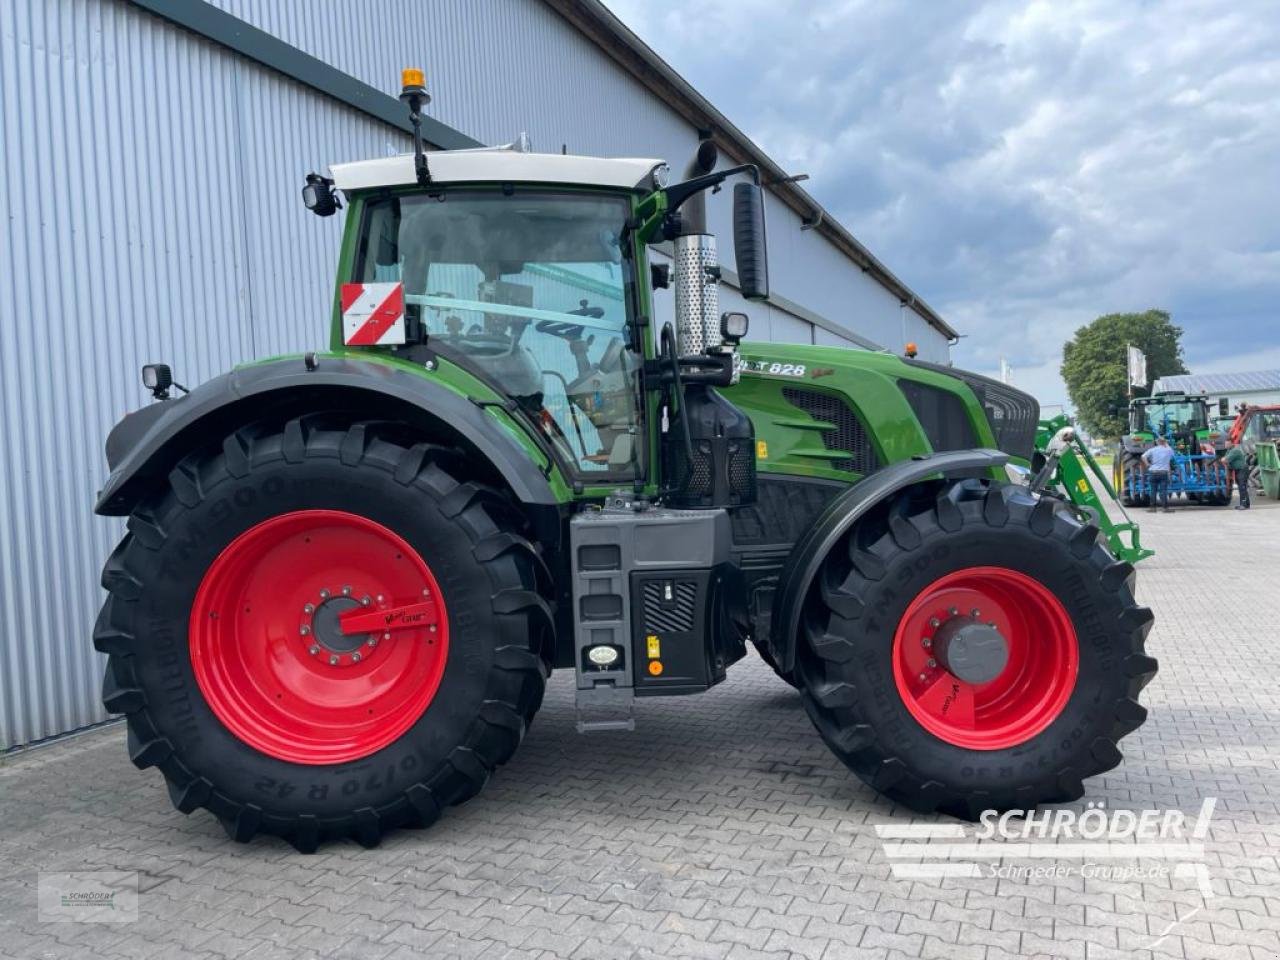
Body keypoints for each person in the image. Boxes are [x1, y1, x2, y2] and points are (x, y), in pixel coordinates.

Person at [1141, 437, 1175, 513]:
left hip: (1153, 472)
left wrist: (1147, 464)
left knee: (1153, 490)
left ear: (1157, 442)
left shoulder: (1153, 450)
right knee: (1163, 491)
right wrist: (1166, 444)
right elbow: (1173, 455)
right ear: (1164, 442)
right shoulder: (1168, 450)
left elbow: (1143, 456)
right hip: (1163, 473)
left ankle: (1153, 508)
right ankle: (1165, 508)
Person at [1223, 440, 1251, 510]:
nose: (1225, 445)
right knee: (1241, 487)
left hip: (1242, 470)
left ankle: (1243, 505)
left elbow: (1225, 460)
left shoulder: (1235, 451)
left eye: (1227, 444)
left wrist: (1224, 460)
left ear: (1231, 444)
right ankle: (1246, 504)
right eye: (1225, 444)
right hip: (1238, 471)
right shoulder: (1229, 451)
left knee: (1242, 487)